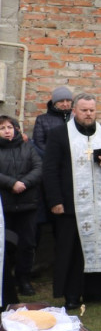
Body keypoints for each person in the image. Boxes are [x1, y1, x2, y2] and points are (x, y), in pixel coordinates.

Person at [42, 93, 101, 310]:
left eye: (92, 110)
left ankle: (99, 292)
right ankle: (72, 295)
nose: (88, 114)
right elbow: (50, 170)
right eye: (84, 110)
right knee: (72, 252)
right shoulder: (59, 134)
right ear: (74, 111)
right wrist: (55, 200)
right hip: (71, 204)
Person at [0, 114, 42, 299]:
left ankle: (23, 279)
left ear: (16, 129)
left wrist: (23, 183)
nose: (7, 131)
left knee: (27, 244)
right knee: (6, 244)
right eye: (2, 128)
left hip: (27, 204)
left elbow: (39, 167)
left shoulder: (27, 147)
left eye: (10, 127)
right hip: (5, 205)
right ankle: (6, 280)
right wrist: (11, 183)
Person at [33, 85, 73, 155]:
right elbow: (39, 143)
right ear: (54, 103)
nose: (65, 104)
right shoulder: (42, 119)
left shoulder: (76, 118)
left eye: (68, 101)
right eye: (61, 101)